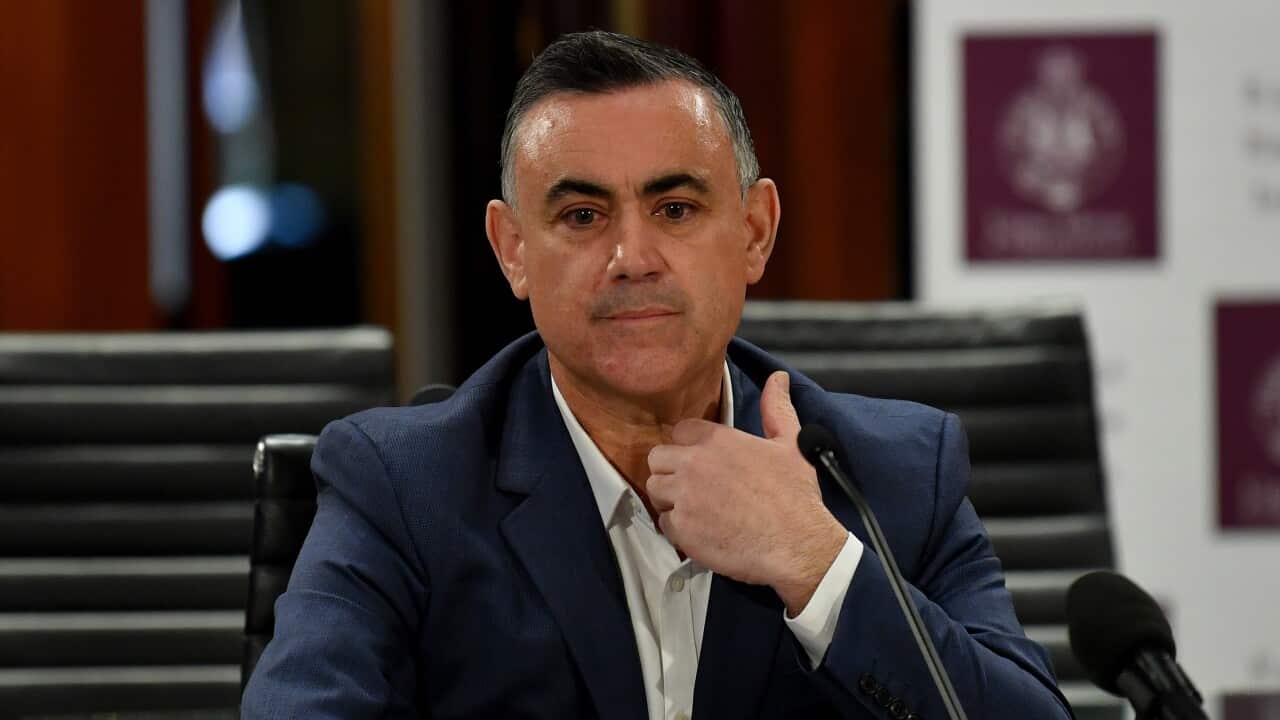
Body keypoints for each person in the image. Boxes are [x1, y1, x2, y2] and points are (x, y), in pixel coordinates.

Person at [242, 30, 1072, 719]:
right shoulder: (403, 489)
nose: (631, 257)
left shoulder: (891, 474)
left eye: (675, 210)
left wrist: (815, 562)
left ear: (754, 230)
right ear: (512, 250)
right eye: (581, 215)